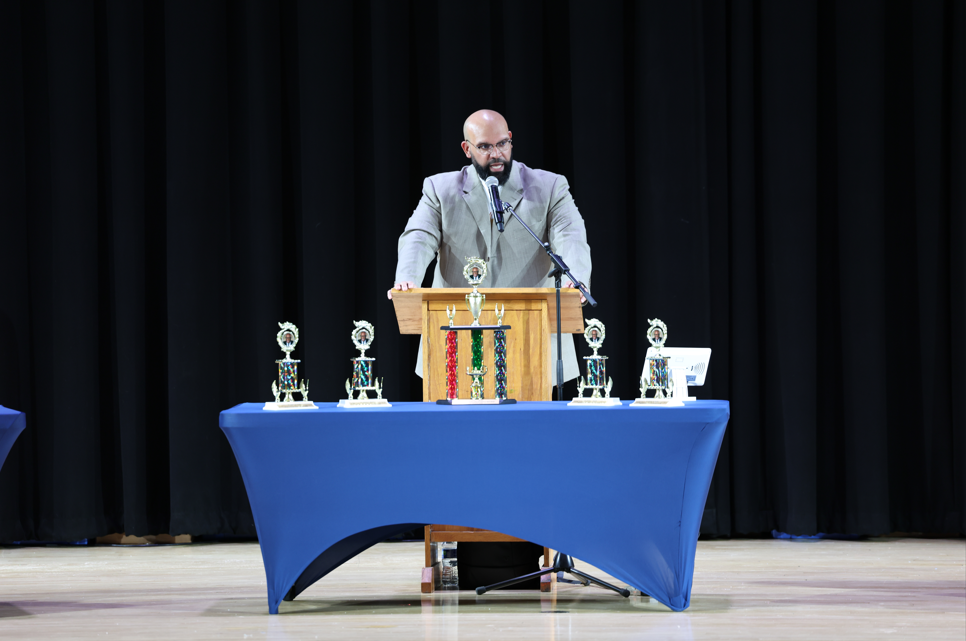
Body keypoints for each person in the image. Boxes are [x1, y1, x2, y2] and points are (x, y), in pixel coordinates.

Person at [388, 109, 592, 382]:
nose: (496, 154)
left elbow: (570, 234)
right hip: (456, 327)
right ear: (467, 149)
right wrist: (407, 279)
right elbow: (419, 235)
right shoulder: (439, 189)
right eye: (484, 146)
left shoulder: (550, 186)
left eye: (502, 144)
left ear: (510, 139)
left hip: (532, 332)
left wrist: (574, 275)